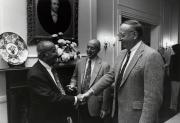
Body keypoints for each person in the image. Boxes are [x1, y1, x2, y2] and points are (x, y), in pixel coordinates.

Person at [81, 20, 164, 123]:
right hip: (117, 113)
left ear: (134, 35)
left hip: (136, 117)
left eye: (122, 35)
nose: (119, 39)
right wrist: (89, 92)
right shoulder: (121, 54)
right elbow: (110, 76)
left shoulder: (152, 56)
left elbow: (153, 99)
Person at [27, 41, 82, 123]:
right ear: (45, 55)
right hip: (45, 118)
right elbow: (51, 97)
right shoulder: (35, 74)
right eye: (53, 51)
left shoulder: (52, 68)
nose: (57, 54)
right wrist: (75, 99)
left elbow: (58, 91)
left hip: (57, 115)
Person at [67, 39, 112, 123]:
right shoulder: (79, 62)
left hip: (95, 104)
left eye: (92, 48)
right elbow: (74, 77)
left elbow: (106, 89)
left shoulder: (104, 65)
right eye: (88, 47)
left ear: (98, 50)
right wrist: (72, 85)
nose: (89, 50)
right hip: (80, 102)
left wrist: (104, 108)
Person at [169, 44, 180, 112]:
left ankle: (173, 107)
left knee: (174, 93)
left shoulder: (173, 57)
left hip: (175, 78)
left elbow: (171, 68)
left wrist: (170, 76)